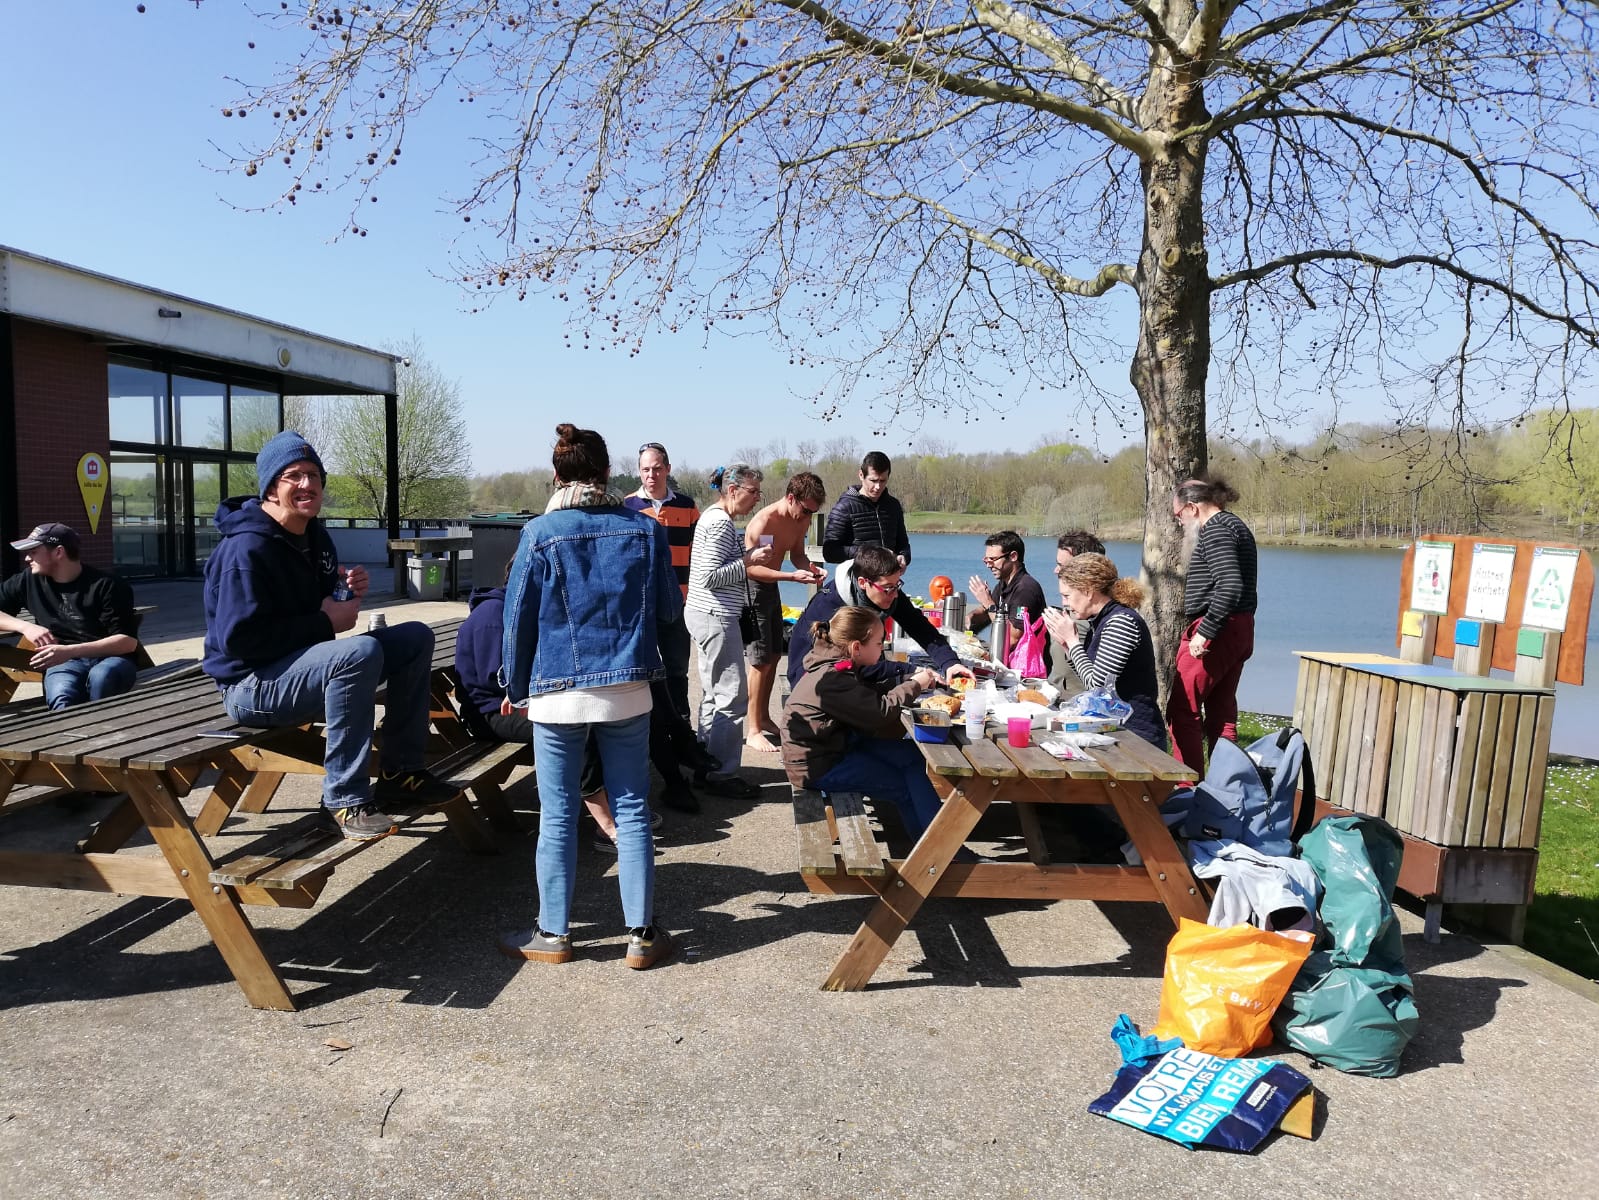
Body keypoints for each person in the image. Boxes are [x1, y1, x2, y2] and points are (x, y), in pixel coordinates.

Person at [202, 431, 454, 841]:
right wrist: (325, 621)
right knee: (357, 653)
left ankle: (401, 775)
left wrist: (344, 588)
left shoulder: (314, 537)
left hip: (299, 667)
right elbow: (239, 641)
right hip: (250, 685)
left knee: (414, 639)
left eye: (314, 475)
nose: (307, 485)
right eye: (293, 476)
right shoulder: (245, 551)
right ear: (270, 487)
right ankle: (343, 800)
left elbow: (318, 603)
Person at [497, 424, 682, 969]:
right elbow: (670, 611)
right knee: (631, 807)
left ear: (557, 475)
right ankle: (642, 935)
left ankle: (553, 935)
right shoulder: (646, 531)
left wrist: (515, 687)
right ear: (607, 474)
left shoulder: (539, 533)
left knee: (556, 814)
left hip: (556, 694)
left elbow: (517, 624)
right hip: (628, 690)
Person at [454, 566, 635, 852]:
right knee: (577, 727)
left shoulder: (517, 612)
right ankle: (603, 823)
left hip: (518, 704)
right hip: (490, 713)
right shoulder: (492, 617)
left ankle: (617, 806)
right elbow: (500, 681)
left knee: (601, 714)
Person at [781, 605, 952, 844]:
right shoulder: (831, 678)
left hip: (835, 746)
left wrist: (907, 680)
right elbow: (879, 712)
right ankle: (937, 854)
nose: (882, 648)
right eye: (879, 643)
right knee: (903, 786)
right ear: (856, 647)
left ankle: (937, 840)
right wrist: (915, 686)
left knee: (913, 756)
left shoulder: (834, 663)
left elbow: (863, 695)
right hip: (819, 766)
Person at [624, 440, 719, 811]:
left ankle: (680, 729)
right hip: (641, 605)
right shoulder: (627, 509)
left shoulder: (687, 507)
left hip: (678, 602)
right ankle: (653, 736)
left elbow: (700, 556)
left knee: (677, 671)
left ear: (667, 468)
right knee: (645, 672)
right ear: (639, 472)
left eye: (657, 468)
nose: (651, 475)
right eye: (645, 469)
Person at [684, 463, 779, 800]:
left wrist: (746, 555)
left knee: (713, 694)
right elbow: (711, 577)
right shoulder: (720, 522)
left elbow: (715, 568)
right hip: (715, 616)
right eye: (753, 492)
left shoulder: (712, 517)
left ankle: (705, 765)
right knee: (731, 697)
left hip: (704, 614)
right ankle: (722, 775)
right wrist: (750, 560)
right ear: (734, 490)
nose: (756, 499)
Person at [785, 545, 970, 692]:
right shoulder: (831, 608)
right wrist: (911, 671)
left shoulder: (885, 590)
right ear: (863, 583)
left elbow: (921, 628)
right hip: (812, 681)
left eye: (897, 585)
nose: (895, 594)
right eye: (889, 588)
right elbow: (850, 667)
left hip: (848, 675)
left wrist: (950, 663)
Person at [1167, 476, 1258, 772]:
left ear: (1193, 508)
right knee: (1221, 713)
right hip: (1239, 627)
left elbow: (1230, 585)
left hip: (1217, 628)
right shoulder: (1235, 525)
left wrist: (1205, 632)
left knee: (1182, 710)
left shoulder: (1216, 530)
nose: (1180, 523)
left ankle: (1186, 788)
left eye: (1178, 515)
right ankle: (1225, 789)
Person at [1, 523, 140, 710]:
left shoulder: (108, 585)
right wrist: (25, 627)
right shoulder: (26, 581)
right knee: (61, 696)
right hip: (64, 662)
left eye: (33, 552)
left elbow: (128, 642)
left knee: (102, 678)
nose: (27, 558)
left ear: (58, 552)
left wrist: (70, 651)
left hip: (111, 658)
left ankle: (104, 732)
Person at [741, 472, 828, 753]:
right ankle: (753, 729)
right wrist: (791, 578)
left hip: (773, 586)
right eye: (806, 510)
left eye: (814, 512)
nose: (809, 517)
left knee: (775, 655)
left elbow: (797, 554)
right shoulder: (767, 521)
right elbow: (753, 568)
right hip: (754, 588)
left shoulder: (800, 518)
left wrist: (812, 568)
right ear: (791, 498)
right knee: (759, 660)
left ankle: (764, 718)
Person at [1044, 552, 1168, 749]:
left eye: (1067, 595)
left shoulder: (1121, 622)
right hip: (1114, 728)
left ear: (1088, 591)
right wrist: (1067, 646)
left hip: (1137, 737)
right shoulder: (1101, 619)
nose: (1064, 603)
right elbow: (1091, 674)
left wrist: (1073, 641)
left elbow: (1098, 685)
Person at [967, 531, 1051, 674]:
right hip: (1006, 662)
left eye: (993, 559)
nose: (989, 565)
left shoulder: (1026, 589)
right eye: (986, 560)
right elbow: (988, 611)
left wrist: (987, 602)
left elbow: (1012, 638)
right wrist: (969, 617)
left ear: (1013, 556)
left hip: (1025, 669)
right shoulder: (1005, 583)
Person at [822, 451, 912, 566]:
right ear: (861, 475)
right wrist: (868, 554)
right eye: (873, 481)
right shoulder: (844, 507)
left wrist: (903, 556)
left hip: (889, 580)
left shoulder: (893, 505)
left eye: (883, 480)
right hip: (856, 579)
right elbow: (830, 552)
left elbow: (903, 545)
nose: (878, 487)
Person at [1049, 529, 1107, 695]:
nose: (1056, 570)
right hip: (1056, 698)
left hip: (1085, 708)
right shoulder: (1071, 607)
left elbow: (1098, 684)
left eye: (1062, 566)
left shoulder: (1108, 617)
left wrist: (1070, 641)